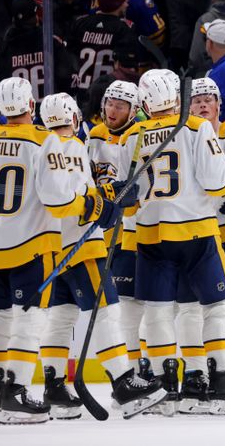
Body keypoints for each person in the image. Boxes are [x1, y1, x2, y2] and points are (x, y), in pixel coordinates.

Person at [0, 77, 121, 424]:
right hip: (31, 247)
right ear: (31, 107)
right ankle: (16, 392)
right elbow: (59, 202)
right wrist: (96, 206)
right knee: (29, 320)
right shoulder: (42, 141)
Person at [119, 69, 225, 415]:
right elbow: (217, 183)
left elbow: (131, 197)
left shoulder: (132, 136)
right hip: (197, 232)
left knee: (157, 311)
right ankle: (218, 382)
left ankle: (165, 385)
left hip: (151, 235)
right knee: (216, 307)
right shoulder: (195, 128)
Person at [38, 92, 165, 419]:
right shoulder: (75, 147)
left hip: (53, 247)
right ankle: (123, 382)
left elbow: (74, 193)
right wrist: (101, 207)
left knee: (62, 315)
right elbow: (79, 199)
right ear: (76, 118)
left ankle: (53, 386)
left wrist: (106, 196)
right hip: (81, 246)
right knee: (107, 310)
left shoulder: (42, 147)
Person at [86, 80, 150, 384]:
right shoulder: (93, 136)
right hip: (106, 234)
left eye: (121, 105)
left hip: (135, 231)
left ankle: (149, 366)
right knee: (124, 306)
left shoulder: (140, 137)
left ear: (133, 110)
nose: (113, 110)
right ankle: (133, 370)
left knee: (148, 306)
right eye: (110, 103)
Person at [0, 0, 79, 101]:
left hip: (17, 112)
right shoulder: (50, 41)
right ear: (36, 17)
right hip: (48, 110)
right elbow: (67, 78)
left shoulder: (3, 45)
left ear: (13, 20)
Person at [68, 0, 137, 99]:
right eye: (124, 1)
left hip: (80, 91)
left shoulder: (80, 23)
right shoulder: (124, 28)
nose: (126, 4)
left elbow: (69, 55)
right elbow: (127, 66)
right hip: (107, 93)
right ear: (117, 4)